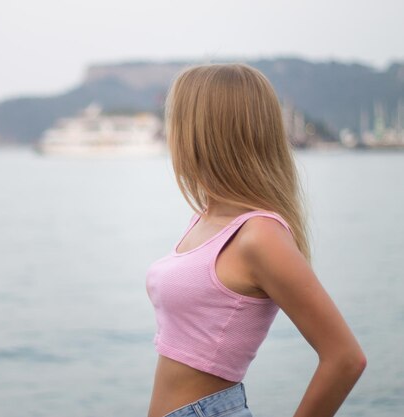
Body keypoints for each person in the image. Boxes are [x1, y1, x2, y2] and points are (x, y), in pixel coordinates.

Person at [145, 63, 366, 417]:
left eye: (175, 120)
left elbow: (345, 358)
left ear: (204, 131)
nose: (169, 132)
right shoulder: (204, 218)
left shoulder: (259, 234)